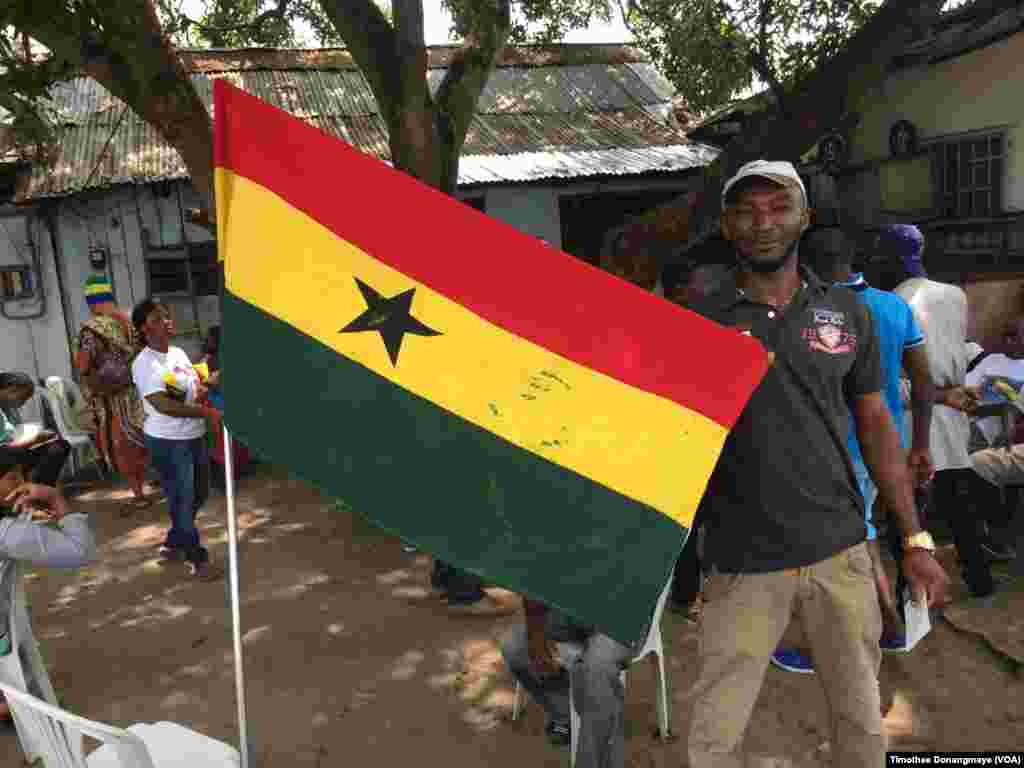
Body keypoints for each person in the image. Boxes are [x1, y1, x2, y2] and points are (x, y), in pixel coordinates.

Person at [684, 160, 948, 768]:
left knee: (860, 724)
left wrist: (914, 537)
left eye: (778, 208)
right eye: (747, 211)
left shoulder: (847, 314)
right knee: (714, 740)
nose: (763, 223)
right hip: (741, 561)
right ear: (727, 224)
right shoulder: (702, 322)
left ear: (803, 217)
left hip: (840, 552)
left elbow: (877, 422)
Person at [769, 228, 935, 674]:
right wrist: (919, 443)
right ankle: (885, 625)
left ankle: (884, 627)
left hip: (833, 449)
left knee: (848, 542)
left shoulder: (810, 312)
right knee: (863, 532)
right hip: (887, 447)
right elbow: (923, 382)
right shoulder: (894, 306)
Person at [886, 225, 994, 596]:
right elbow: (960, 349)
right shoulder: (955, 295)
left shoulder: (892, 302)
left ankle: (909, 595)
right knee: (959, 504)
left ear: (889, 257)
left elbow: (893, 385)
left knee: (910, 515)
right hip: (952, 412)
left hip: (916, 417)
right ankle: (981, 582)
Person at [130, 297, 222, 580]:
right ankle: (197, 558)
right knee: (183, 498)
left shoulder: (178, 353)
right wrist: (207, 413)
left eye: (166, 317)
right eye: (157, 319)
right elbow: (164, 405)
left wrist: (206, 384)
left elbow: (184, 391)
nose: (166, 322)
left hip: (193, 435)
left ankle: (173, 542)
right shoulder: (145, 363)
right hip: (168, 441)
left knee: (200, 492)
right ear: (144, 330)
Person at [0, 482, 98, 720]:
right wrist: (55, 499)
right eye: (14, 475)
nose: (22, 480)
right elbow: (80, 550)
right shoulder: (6, 532)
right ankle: (12, 703)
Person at [76, 274, 154, 510]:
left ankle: (139, 494)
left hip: (114, 397)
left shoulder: (92, 329)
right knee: (148, 437)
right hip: (141, 389)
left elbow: (82, 363)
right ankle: (166, 481)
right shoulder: (130, 320)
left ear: (90, 302)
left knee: (122, 445)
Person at [0, 373, 70, 488]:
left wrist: (35, 439)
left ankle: (40, 489)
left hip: (10, 450)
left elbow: (11, 437)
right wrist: (34, 440)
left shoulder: (8, 410)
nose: (23, 403)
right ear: (12, 389)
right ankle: (36, 492)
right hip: (6, 453)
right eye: (23, 398)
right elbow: (6, 447)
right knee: (18, 453)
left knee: (60, 446)